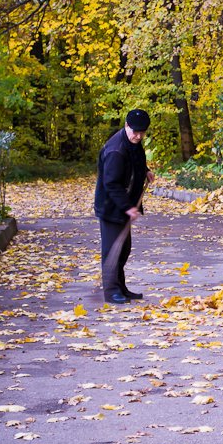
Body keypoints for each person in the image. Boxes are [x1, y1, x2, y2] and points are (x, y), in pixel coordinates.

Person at [94, 109, 155, 304]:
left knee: (124, 248)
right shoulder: (116, 150)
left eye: (142, 133)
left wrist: (145, 171)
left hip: (124, 205)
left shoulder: (132, 143)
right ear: (126, 126)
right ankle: (111, 292)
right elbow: (111, 183)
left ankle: (121, 287)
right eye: (135, 132)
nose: (138, 136)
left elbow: (135, 162)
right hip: (111, 207)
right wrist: (128, 207)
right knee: (113, 250)